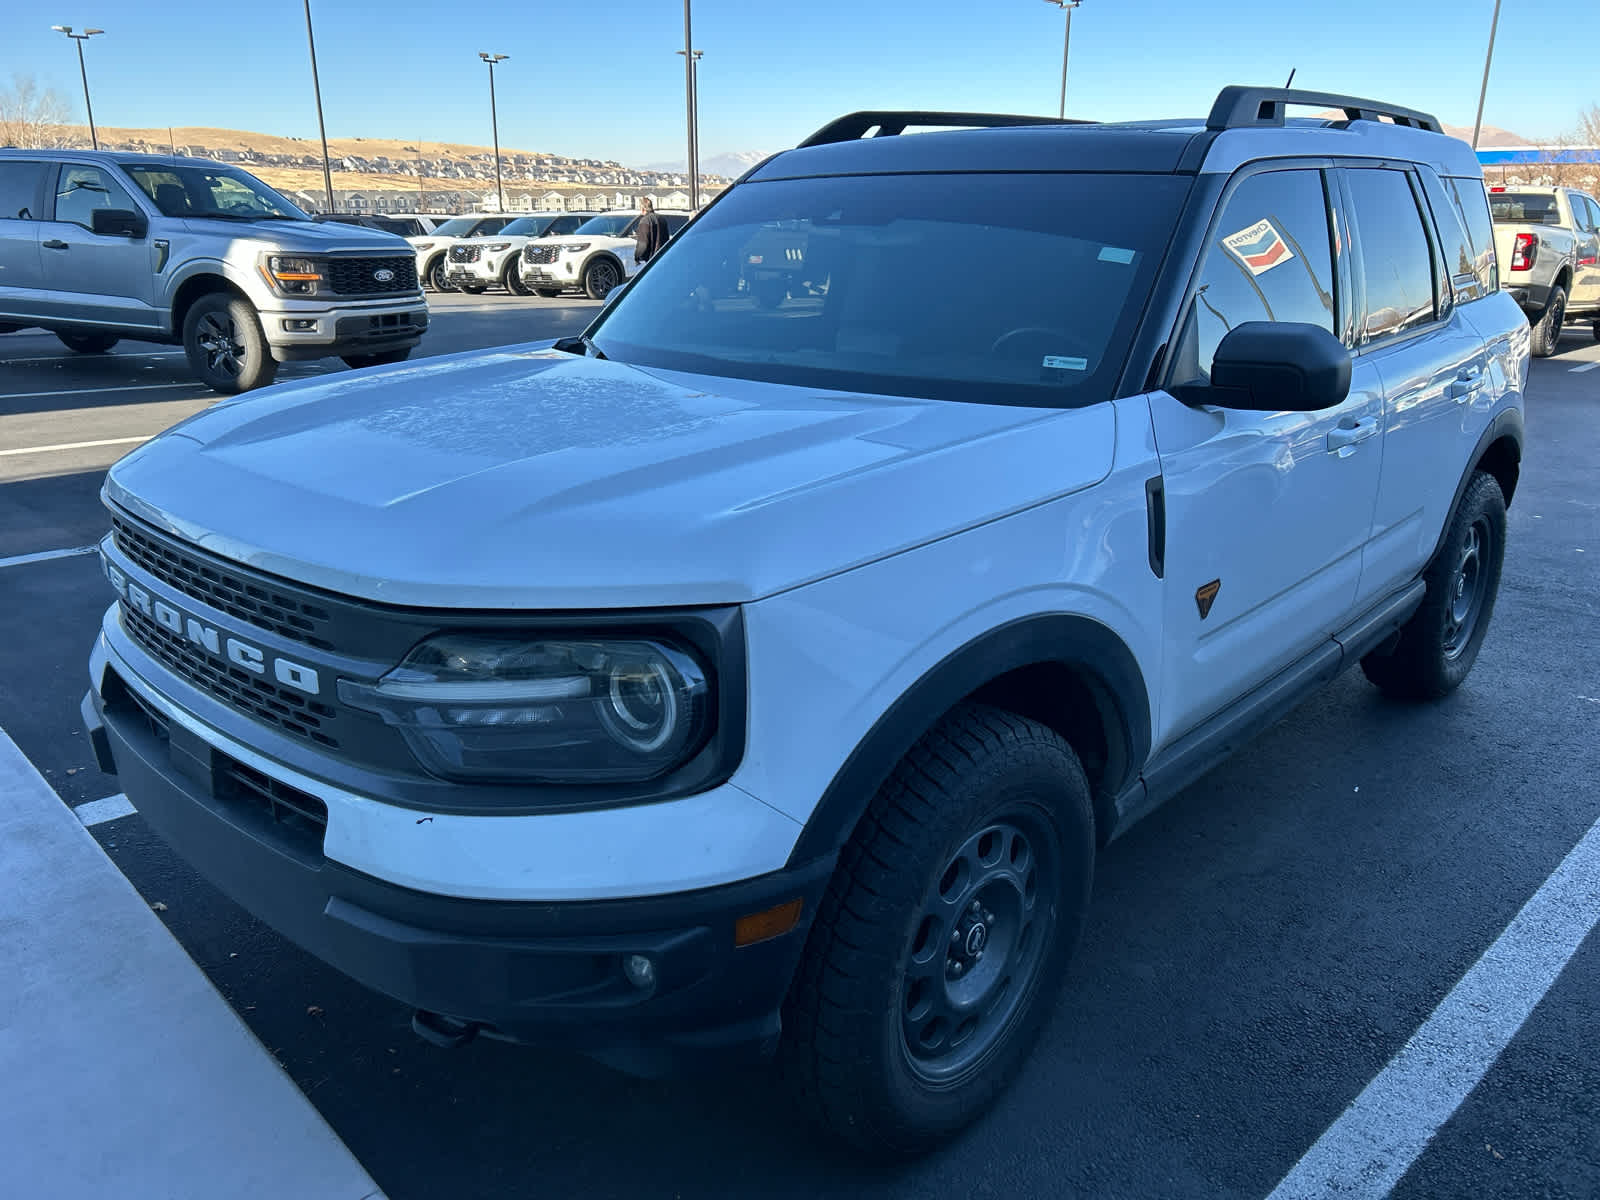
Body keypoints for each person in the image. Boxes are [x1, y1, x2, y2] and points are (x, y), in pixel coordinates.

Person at [634, 197, 668, 265]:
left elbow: (643, 244)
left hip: (651, 260)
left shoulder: (645, 220)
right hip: (663, 257)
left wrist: (637, 257)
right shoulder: (662, 219)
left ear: (642, 208)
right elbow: (666, 239)